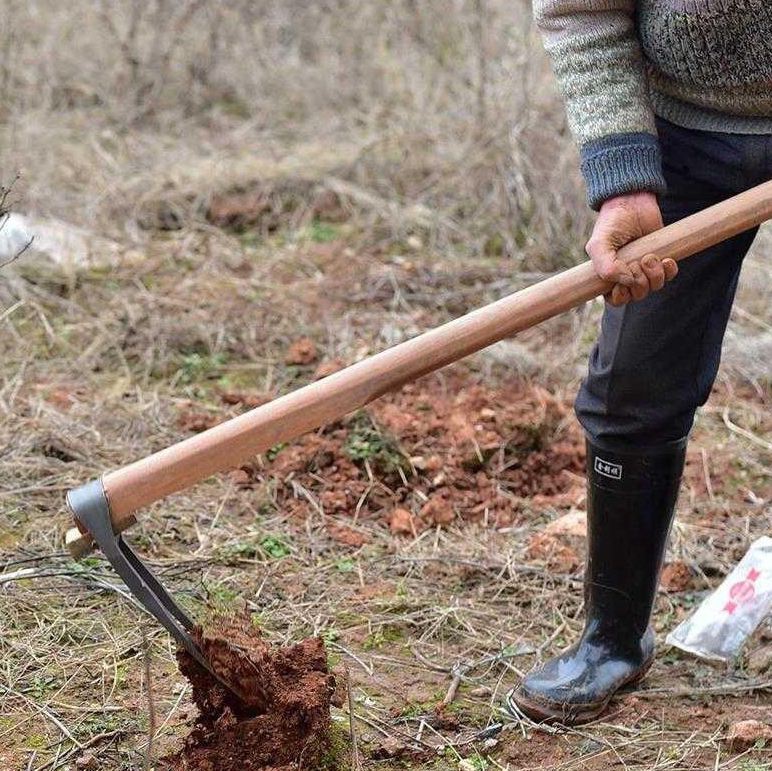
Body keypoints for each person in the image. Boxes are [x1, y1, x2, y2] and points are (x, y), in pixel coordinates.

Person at [506, 1, 772, 724]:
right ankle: (613, 639)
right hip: (681, 131)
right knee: (633, 389)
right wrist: (625, 173)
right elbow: (582, 12)